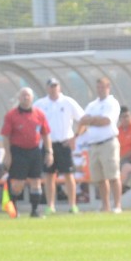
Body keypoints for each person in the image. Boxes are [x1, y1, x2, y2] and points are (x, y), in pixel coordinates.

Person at [34, 77, 85, 215]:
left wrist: (75, 137)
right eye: (51, 86)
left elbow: (83, 119)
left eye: (55, 85)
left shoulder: (68, 102)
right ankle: (51, 205)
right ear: (47, 88)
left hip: (64, 143)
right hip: (48, 144)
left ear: (59, 87)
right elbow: (33, 123)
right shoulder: (40, 104)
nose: (53, 88)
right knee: (49, 175)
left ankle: (72, 205)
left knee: (68, 175)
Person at [0, 87, 52, 218]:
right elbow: (6, 136)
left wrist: (49, 151)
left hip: (34, 151)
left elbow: (46, 134)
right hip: (18, 151)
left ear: (32, 98)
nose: (26, 98)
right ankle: (14, 210)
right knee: (18, 184)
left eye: (28, 95)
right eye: (23, 95)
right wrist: (8, 154)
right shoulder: (11, 115)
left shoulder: (39, 114)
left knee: (36, 181)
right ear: (19, 98)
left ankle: (34, 211)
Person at [79, 77, 122, 213]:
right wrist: (94, 120)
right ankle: (105, 206)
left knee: (113, 175)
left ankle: (117, 205)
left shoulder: (112, 103)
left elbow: (106, 121)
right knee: (100, 178)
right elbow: (83, 121)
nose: (100, 90)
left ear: (108, 87)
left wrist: (92, 120)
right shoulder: (93, 105)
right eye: (98, 87)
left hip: (108, 143)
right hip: (94, 145)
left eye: (102, 87)